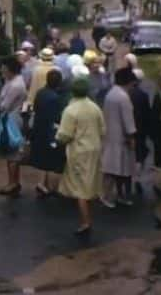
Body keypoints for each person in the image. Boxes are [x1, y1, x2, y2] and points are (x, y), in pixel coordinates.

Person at [57, 76, 105, 237]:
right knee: (91, 181)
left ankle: (86, 222)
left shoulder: (70, 110)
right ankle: (90, 212)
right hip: (95, 148)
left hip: (79, 151)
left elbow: (64, 135)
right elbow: (103, 130)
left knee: (80, 187)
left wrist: (58, 138)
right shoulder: (95, 107)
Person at [101, 68, 138, 208]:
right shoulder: (123, 97)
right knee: (117, 169)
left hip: (110, 135)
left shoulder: (111, 94)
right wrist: (131, 136)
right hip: (121, 138)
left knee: (113, 168)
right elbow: (128, 120)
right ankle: (107, 196)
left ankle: (111, 195)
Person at [0, 56, 28, 197]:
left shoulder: (15, 85)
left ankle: (13, 183)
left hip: (12, 119)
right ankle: (13, 182)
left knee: (12, 152)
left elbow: (5, 105)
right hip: (11, 118)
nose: (2, 70)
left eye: (4, 68)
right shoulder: (12, 81)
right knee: (11, 153)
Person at [30, 69, 66, 196]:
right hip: (50, 131)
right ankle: (49, 186)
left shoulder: (40, 93)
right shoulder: (55, 98)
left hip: (39, 128)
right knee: (52, 159)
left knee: (43, 158)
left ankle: (42, 183)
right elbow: (56, 117)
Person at [128, 69, 152, 195]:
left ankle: (128, 178)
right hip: (140, 129)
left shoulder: (125, 94)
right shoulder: (143, 95)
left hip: (127, 129)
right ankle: (137, 177)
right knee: (140, 154)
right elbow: (148, 114)